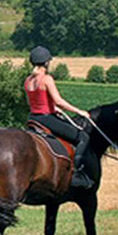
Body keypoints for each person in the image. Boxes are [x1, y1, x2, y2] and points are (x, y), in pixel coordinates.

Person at [25, 46, 94, 189]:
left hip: (33, 118)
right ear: (46, 63)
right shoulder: (46, 79)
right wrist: (80, 111)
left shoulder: (28, 80)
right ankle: (77, 174)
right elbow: (58, 101)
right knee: (83, 138)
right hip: (46, 118)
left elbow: (33, 102)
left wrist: (52, 108)